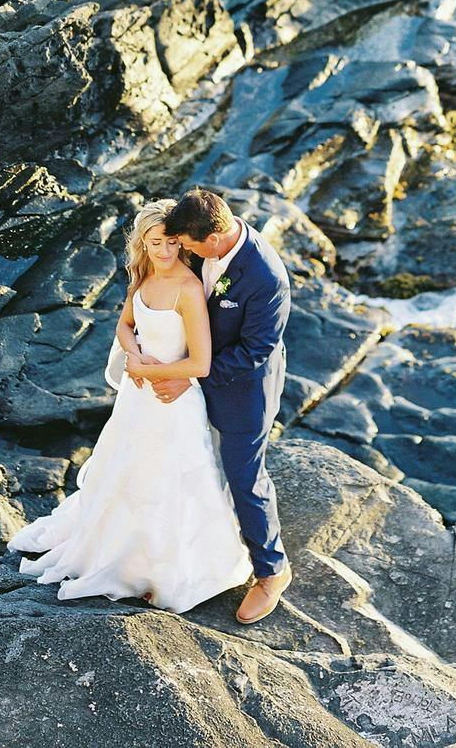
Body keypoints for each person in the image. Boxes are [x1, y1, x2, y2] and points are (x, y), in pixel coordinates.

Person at [6, 201, 252, 611]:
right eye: (156, 243)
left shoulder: (189, 290)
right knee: (124, 469)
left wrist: (146, 369)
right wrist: (134, 354)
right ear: (143, 243)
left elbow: (200, 363)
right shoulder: (142, 277)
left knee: (168, 482)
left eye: (173, 243)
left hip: (171, 401)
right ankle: (112, 546)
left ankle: (160, 566)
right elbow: (125, 325)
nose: (165, 252)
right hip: (136, 398)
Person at [159, 185, 292, 625]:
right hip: (193, 371)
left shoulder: (266, 277)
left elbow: (255, 350)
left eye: (188, 246)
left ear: (212, 240)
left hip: (243, 390)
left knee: (244, 476)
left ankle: (272, 571)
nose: (183, 251)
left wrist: (188, 376)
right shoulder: (201, 241)